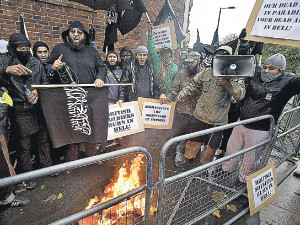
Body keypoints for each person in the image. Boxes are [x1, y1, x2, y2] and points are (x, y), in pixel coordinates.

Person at [223, 53, 300, 183]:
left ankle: (242, 181)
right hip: (242, 122)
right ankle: (225, 172)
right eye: (265, 67)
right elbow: (242, 63)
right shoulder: (256, 73)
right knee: (231, 150)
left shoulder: (288, 82)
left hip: (260, 130)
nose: (266, 71)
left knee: (250, 158)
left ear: (280, 71)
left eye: (271, 68)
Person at [47, 21, 107, 166]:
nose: (75, 35)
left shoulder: (91, 52)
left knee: (90, 128)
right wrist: (53, 67)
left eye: (79, 32)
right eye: (72, 31)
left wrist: (99, 78)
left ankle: (89, 160)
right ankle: (70, 164)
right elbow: (47, 67)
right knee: (72, 130)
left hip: (90, 98)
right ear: (68, 34)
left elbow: (102, 68)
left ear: (84, 36)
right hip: (69, 98)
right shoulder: (59, 49)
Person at [175, 46, 245, 167]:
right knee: (193, 139)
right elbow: (192, 85)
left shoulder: (235, 75)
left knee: (211, 145)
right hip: (199, 115)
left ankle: (205, 165)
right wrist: (181, 94)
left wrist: (226, 83)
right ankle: (188, 158)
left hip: (217, 120)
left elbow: (240, 94)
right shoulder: (206, 72)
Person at [0, 33, 53, 189]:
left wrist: (37, 90)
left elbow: (45, 81)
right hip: (19, 109)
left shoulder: (35, 62)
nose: (24, 51)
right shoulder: (6, 62)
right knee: (24, 146)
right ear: (13, 48)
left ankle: (47, 167)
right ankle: (27, 176)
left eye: (26, 48)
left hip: (37, 107)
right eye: (20, 48)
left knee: (43, 140)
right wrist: (6, 70)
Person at [165, 51, 203, 164]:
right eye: (188, 62)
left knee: (193, 134)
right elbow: (174, 90)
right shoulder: (181, 73)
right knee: (178, 132)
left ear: (198, 61)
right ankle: (178, 153)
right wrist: (168, 99)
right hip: (182, 110)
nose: (189, 64)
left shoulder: (204, 74)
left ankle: (191, 155)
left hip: (198, 111)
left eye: (192, 62)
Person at [147, 23, 178, 95]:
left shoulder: (175, 67)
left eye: (168, 52)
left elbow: (176, 84)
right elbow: (151, 49)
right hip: (157, 94)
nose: (166, 54)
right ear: (162, 54)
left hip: (169, 96)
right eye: (164, 53)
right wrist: (150, 34)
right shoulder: (157, 62)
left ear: (171, 54)